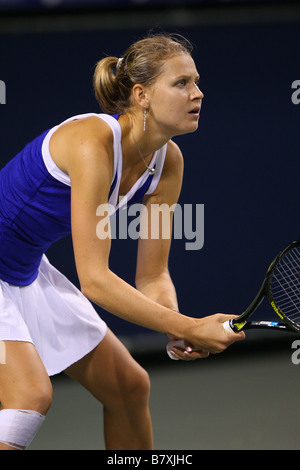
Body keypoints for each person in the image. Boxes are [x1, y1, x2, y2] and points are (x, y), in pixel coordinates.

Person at [0, 33, 245, 451]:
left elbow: (153, 275)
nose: (198, 93)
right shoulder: (92, 142)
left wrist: (174, 326)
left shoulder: (168, 163)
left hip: (24, 269)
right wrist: (191, 328)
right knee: (29, 396)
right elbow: (94, 281)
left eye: (197, 82)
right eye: (182, 83)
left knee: (130, 388)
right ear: (141, 94)